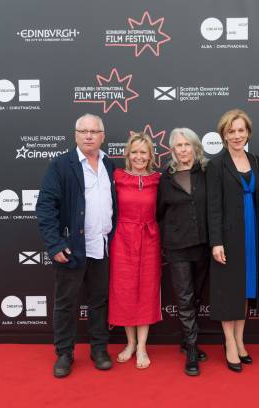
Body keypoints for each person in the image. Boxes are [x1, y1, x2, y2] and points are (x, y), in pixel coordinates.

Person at [36, 113, 117, 378]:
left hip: (102, 246)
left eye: (94, 131)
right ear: (75, 135)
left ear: (103, 136)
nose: (89, 135)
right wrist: (54, 244)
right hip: (71, 248)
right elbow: (45, 207)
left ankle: (99, 349)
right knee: (65, 303)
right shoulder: (61, 165)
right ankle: (64, 353)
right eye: (83, 131)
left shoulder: (110, 165)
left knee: (99, 302)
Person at [206, 109, 259, 372]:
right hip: (228, 237)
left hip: (251, 234)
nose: (237, 135)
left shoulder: (256, 160)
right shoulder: (217, 164)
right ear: (224, 135)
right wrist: (216, 241)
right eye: (232, 131)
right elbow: (213, 207)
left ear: (248, 132)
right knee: (228, 289)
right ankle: (229, 342)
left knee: (245, 289)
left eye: (241, 130)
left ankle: (241, 341)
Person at [156, 128, 210, 376]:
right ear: (172, 149)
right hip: (176, 246)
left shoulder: (207, 172)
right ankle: (191, 350)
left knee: (197, 296)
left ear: (195, 146)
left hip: (202, 245)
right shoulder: (164, 178)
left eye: (187, 144)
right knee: (185, 298)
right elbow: (158, 213)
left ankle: (188, 339)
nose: (183, 150)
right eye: (178, 145)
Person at [109, 132, 161, 369]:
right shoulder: (117, 177)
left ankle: (142, 346)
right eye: (135, 152)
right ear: (127, 154)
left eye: (143, 152)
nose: (139, 156)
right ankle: (130, 343)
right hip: (123, 237)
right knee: (125, 290)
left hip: (150, 238)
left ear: (150, 155)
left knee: (147, 291)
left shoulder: (158, 179)